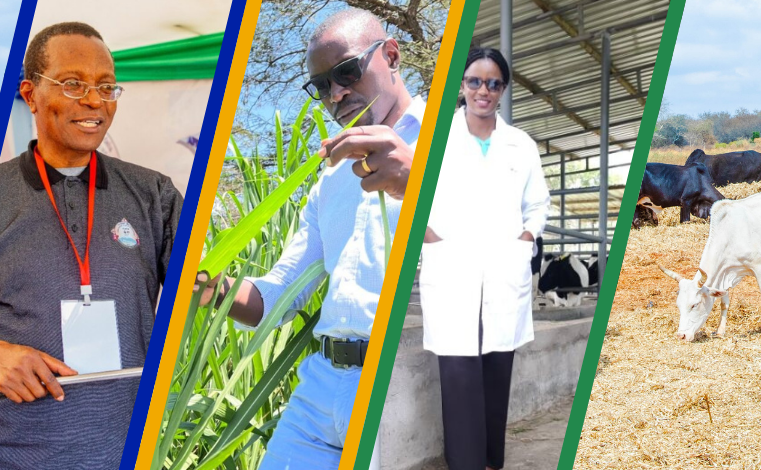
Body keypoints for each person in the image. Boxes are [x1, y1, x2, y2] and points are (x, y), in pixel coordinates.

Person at [196, 8, 421, 469]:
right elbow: (279, 293)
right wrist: (201, 285)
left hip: (401, 378)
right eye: (321, 86)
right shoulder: (331, 182)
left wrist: (416, 178)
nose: (336, 93)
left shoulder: (451, 138)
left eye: (347, 72)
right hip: (320, 388)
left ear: (391, 56)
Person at [0, 22, 181, 468]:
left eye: (107, 87)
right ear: (30, 93)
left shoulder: (154, 194)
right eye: (72, 84)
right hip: (0, 456)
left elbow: (206, 283)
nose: (94, 101)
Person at [419, 47, 548, 470]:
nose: (484, 90)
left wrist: (525, 238)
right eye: (475, 81)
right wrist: (430, 235)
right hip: (452, 267)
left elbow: (538, 203)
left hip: (503, 269)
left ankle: (493, 462)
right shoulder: (436, 139)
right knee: (458, 375)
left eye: (493, 83)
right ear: (462, 85)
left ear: (503, 90)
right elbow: (411, 195)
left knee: (497, 369)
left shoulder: (521, 145)